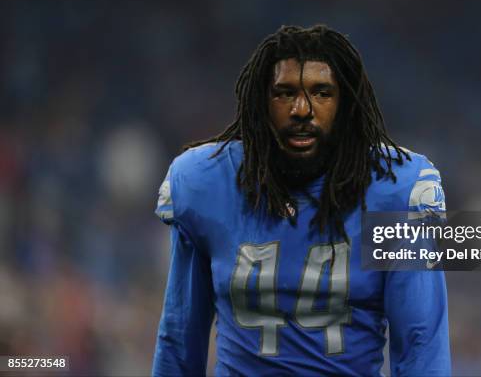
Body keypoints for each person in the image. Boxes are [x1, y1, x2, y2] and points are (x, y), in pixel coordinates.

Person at [152, 25, 450, 376]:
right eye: (284, 93)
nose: (301, 110)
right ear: (260, 104)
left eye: (322, 93)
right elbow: (179, 341)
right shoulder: (204, 182)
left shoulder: (398, 189)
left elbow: (421, 344)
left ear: (346, 105)